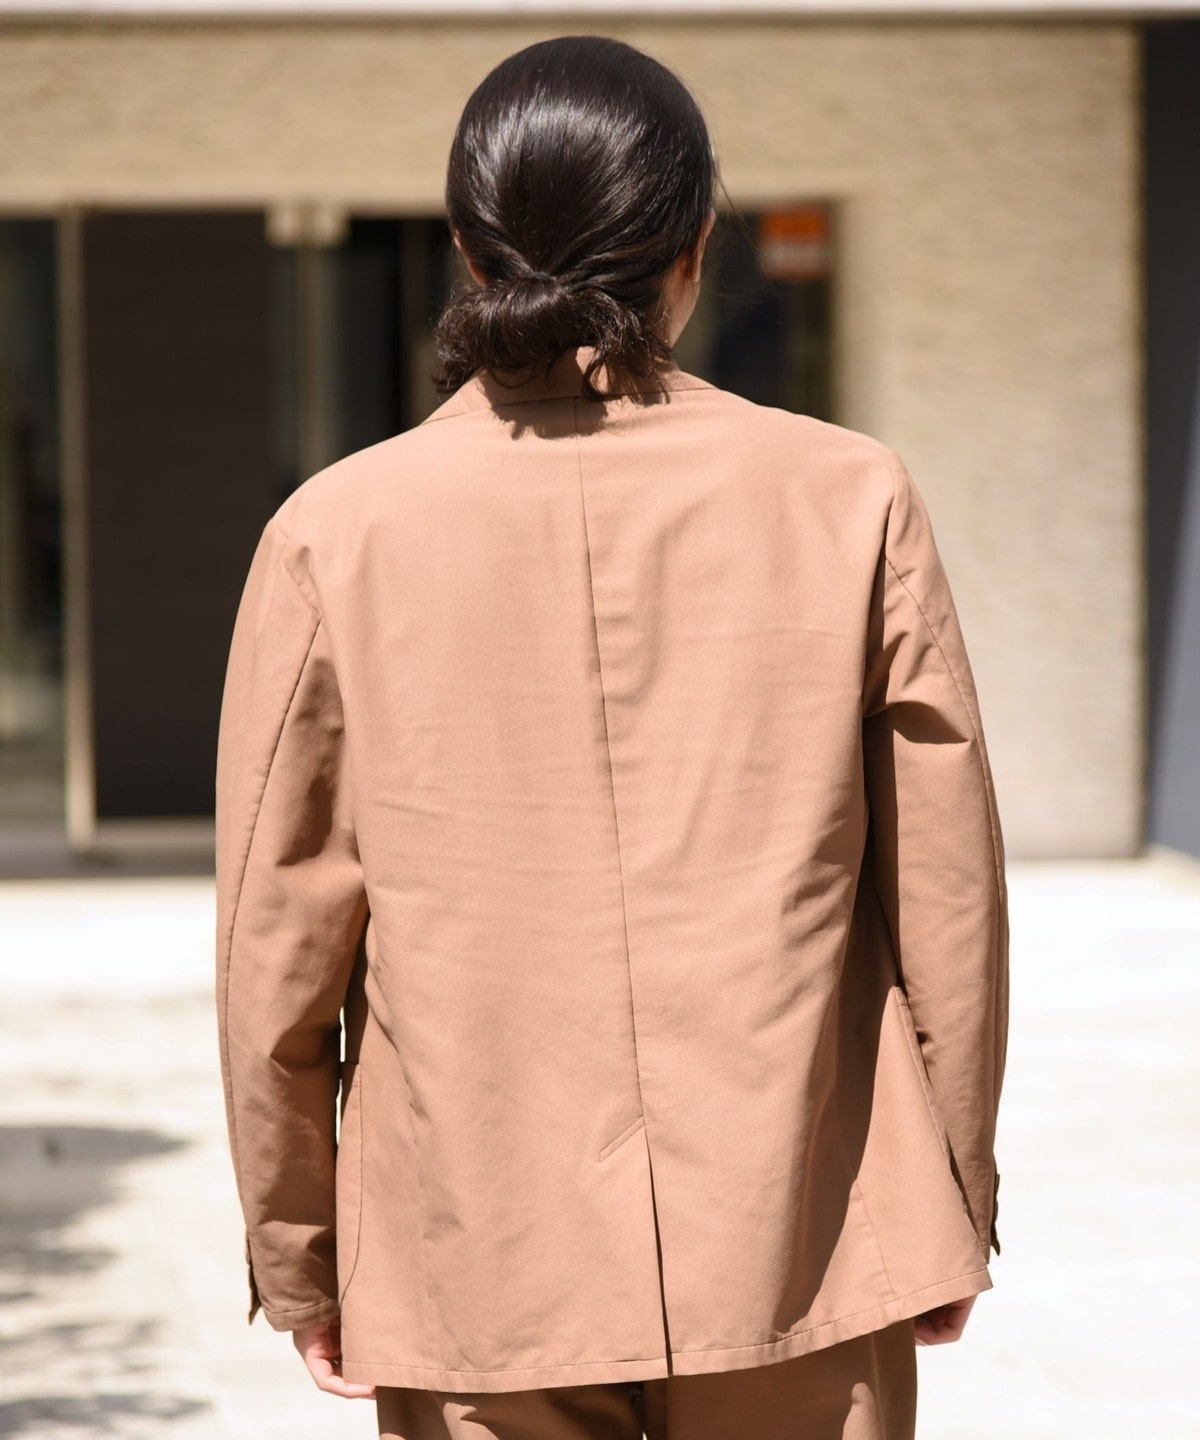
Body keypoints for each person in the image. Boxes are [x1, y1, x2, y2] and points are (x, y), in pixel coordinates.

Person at [215, 33, 1009, 1440]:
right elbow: (946, 893)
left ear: (470, 251)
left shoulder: (332, 535)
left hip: (476, 1247)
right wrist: (946, 1190)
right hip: (805, 1229)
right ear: (696, 246)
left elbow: (277, 949)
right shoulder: (850, 496)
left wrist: (301, 1256)